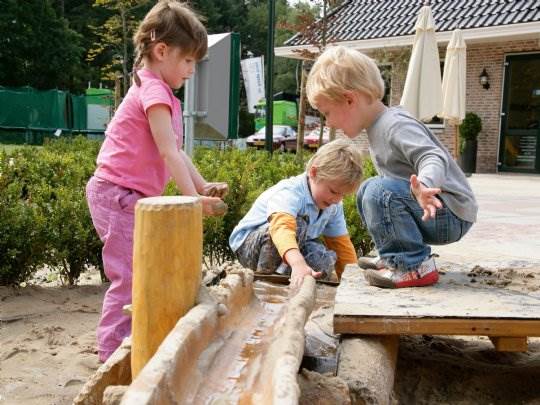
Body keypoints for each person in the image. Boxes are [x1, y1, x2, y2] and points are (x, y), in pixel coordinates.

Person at [85, 1, 227, 363]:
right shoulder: (153, 92)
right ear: (161, 51)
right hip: (116, 195)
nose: (192, 71)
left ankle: (135, 339)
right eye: (189, 61)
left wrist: (202, 186)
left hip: (127, 196)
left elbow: (177, 151)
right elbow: (168, 152)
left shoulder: (159, 91)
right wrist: (192, 199)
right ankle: (111, 355)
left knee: (144, 270)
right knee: (130, 275)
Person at [305, 46, 478, 289]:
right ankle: (394, 257)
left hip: (447, 210)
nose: (329, 122)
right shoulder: (377, 128)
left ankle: (413, 266)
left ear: (349, 99)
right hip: (432, 209)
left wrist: (425, 185)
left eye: (327, 113)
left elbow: (432, 156)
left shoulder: (394, 125)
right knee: (367, 191)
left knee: (377, 191)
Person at [229, 138, 362, 288]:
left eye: (342, 195)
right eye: (333, 191)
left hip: (290, 248)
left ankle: (289, 276)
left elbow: (341, 245)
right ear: (313, 172)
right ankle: (267, 281)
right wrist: (298, 263)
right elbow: (281, 228)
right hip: (250, 246)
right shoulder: (291, 192)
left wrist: (354, 282)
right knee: (297, 225)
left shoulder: (333, 205)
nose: (337, 199)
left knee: (323, 259)